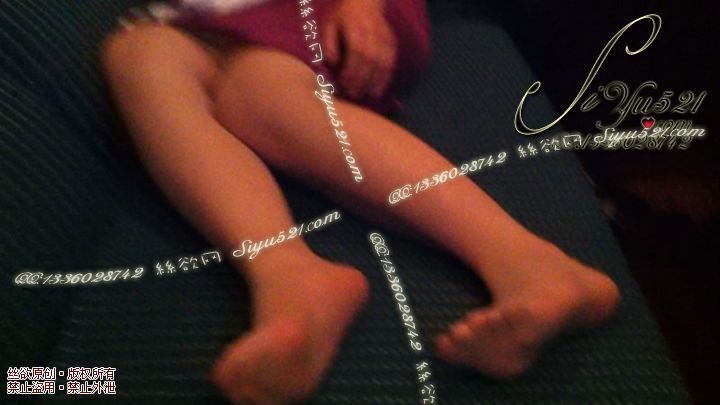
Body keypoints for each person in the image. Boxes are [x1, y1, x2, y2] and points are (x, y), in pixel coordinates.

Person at [101, 0, 620, 403]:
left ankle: (528, 260)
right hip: (192, 25)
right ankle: (288, 274)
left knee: (257, 94)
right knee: (137, 58)